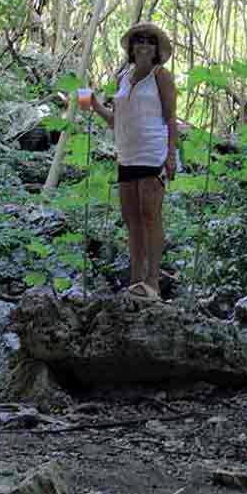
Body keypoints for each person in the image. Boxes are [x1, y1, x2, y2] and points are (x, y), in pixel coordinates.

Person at [85, 22, 178, 301]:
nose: (144, 46)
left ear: (157, 49)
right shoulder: (124, 78)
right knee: (132, 219)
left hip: (153, 153)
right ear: (131, 47)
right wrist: (94, 104)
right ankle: (136, 279)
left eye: (150, 42)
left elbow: (171, 118)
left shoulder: (161, 76)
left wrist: (171, 155)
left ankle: (153, 282)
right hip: (126, 154)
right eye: (139, 41)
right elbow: (116, 120)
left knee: (151, 216)